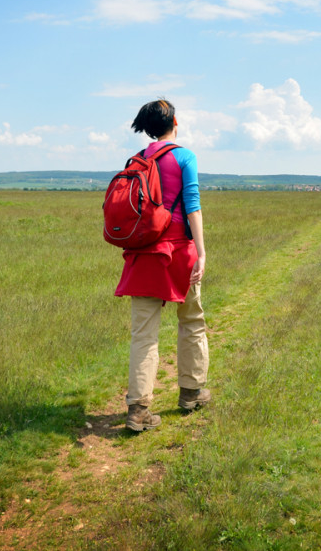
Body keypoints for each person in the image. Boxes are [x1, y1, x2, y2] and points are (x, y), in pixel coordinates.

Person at [115, 99, 211, 432]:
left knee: (143, 336)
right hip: (179, 254)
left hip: (143, 256)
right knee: (192, 322)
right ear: (174, 123)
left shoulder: (137, 160)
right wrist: (201, 252)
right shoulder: (185, 156)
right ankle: (191, 393)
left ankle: (138, 410)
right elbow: (193, 206)